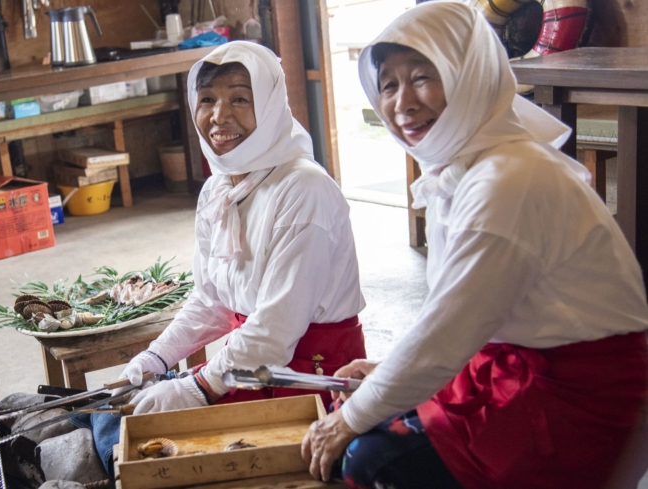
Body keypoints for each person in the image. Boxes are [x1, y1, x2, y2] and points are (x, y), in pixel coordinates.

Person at [300, 3, 648, 489]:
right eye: (388, 85)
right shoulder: (468, 164)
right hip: (515, 362)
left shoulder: (505, 179)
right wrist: (381, 380)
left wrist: (350, 419)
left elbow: (445, 335)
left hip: (576, 395)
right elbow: (457, 319)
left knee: (372, 459)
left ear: (469, 74)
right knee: (367, 419)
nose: (403, 102)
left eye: (422, 76)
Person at [126, 40, 367, 412]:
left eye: (240, 99)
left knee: (144, 432)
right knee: (126, 415)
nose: (219, 116)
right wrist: (158, 357)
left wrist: (198, 388)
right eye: (206, 99)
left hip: (310, 376)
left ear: (271, 107)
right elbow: (212, 300)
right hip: (250, 362)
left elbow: (275, 329)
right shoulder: (218, 188)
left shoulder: (304, 189)